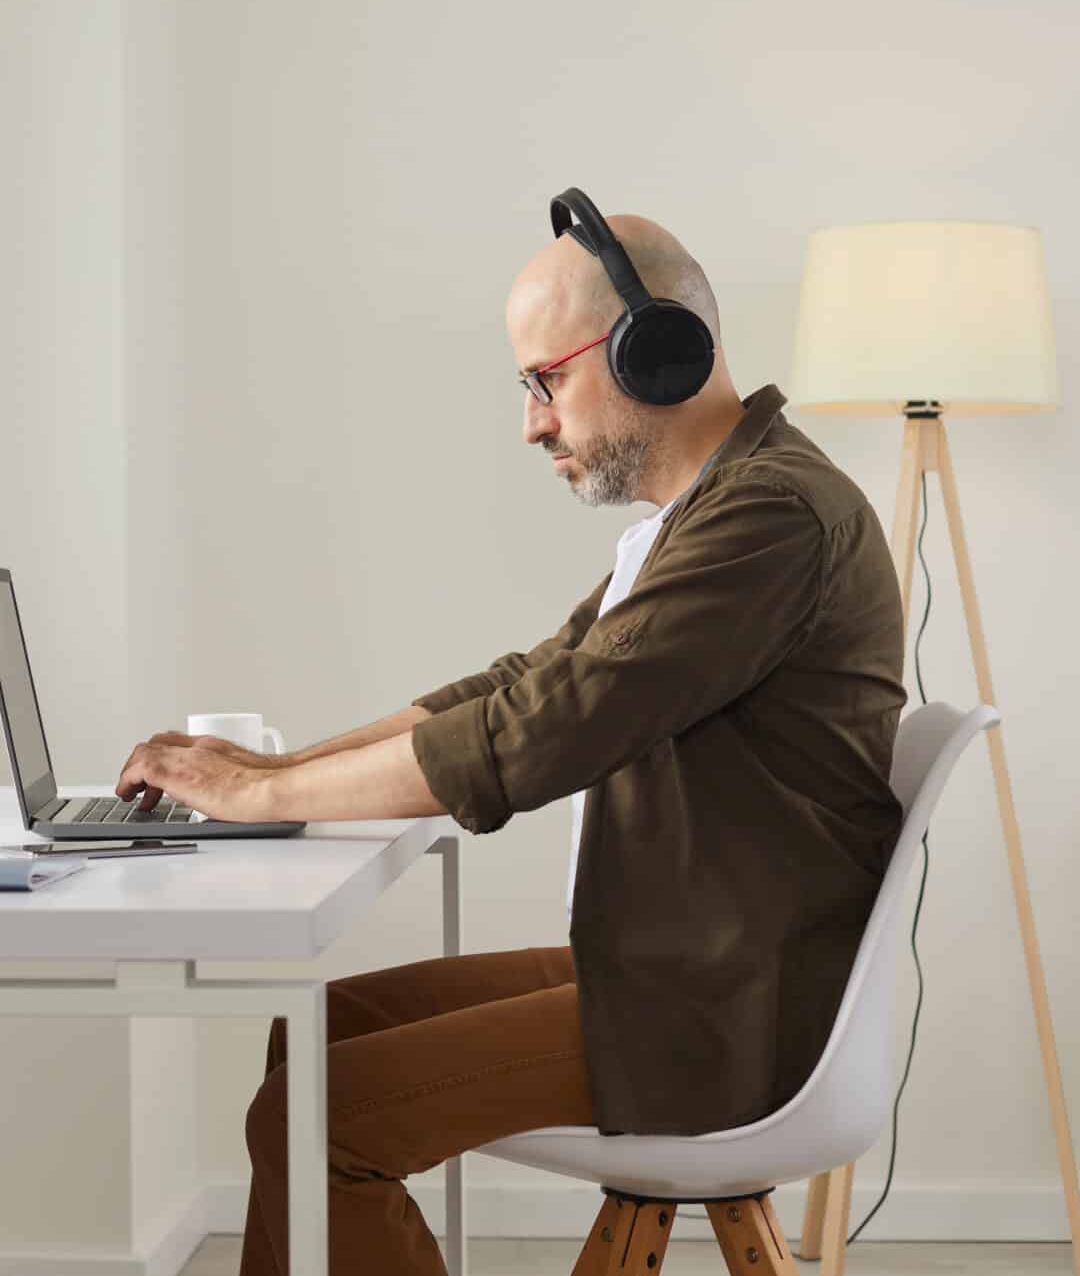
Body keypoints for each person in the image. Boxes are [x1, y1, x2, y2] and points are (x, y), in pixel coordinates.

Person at [114, 192, 907, 1276]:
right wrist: (274, 766)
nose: (533, 421)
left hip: (729, 1014)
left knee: (312, 1115)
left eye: (545, 380)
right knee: (313, 1038)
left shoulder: (770, 517)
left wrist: (260, 801)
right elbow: (523, 681)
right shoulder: (705, 515)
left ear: (654, 350)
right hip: (686, 970)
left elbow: (540, 734)